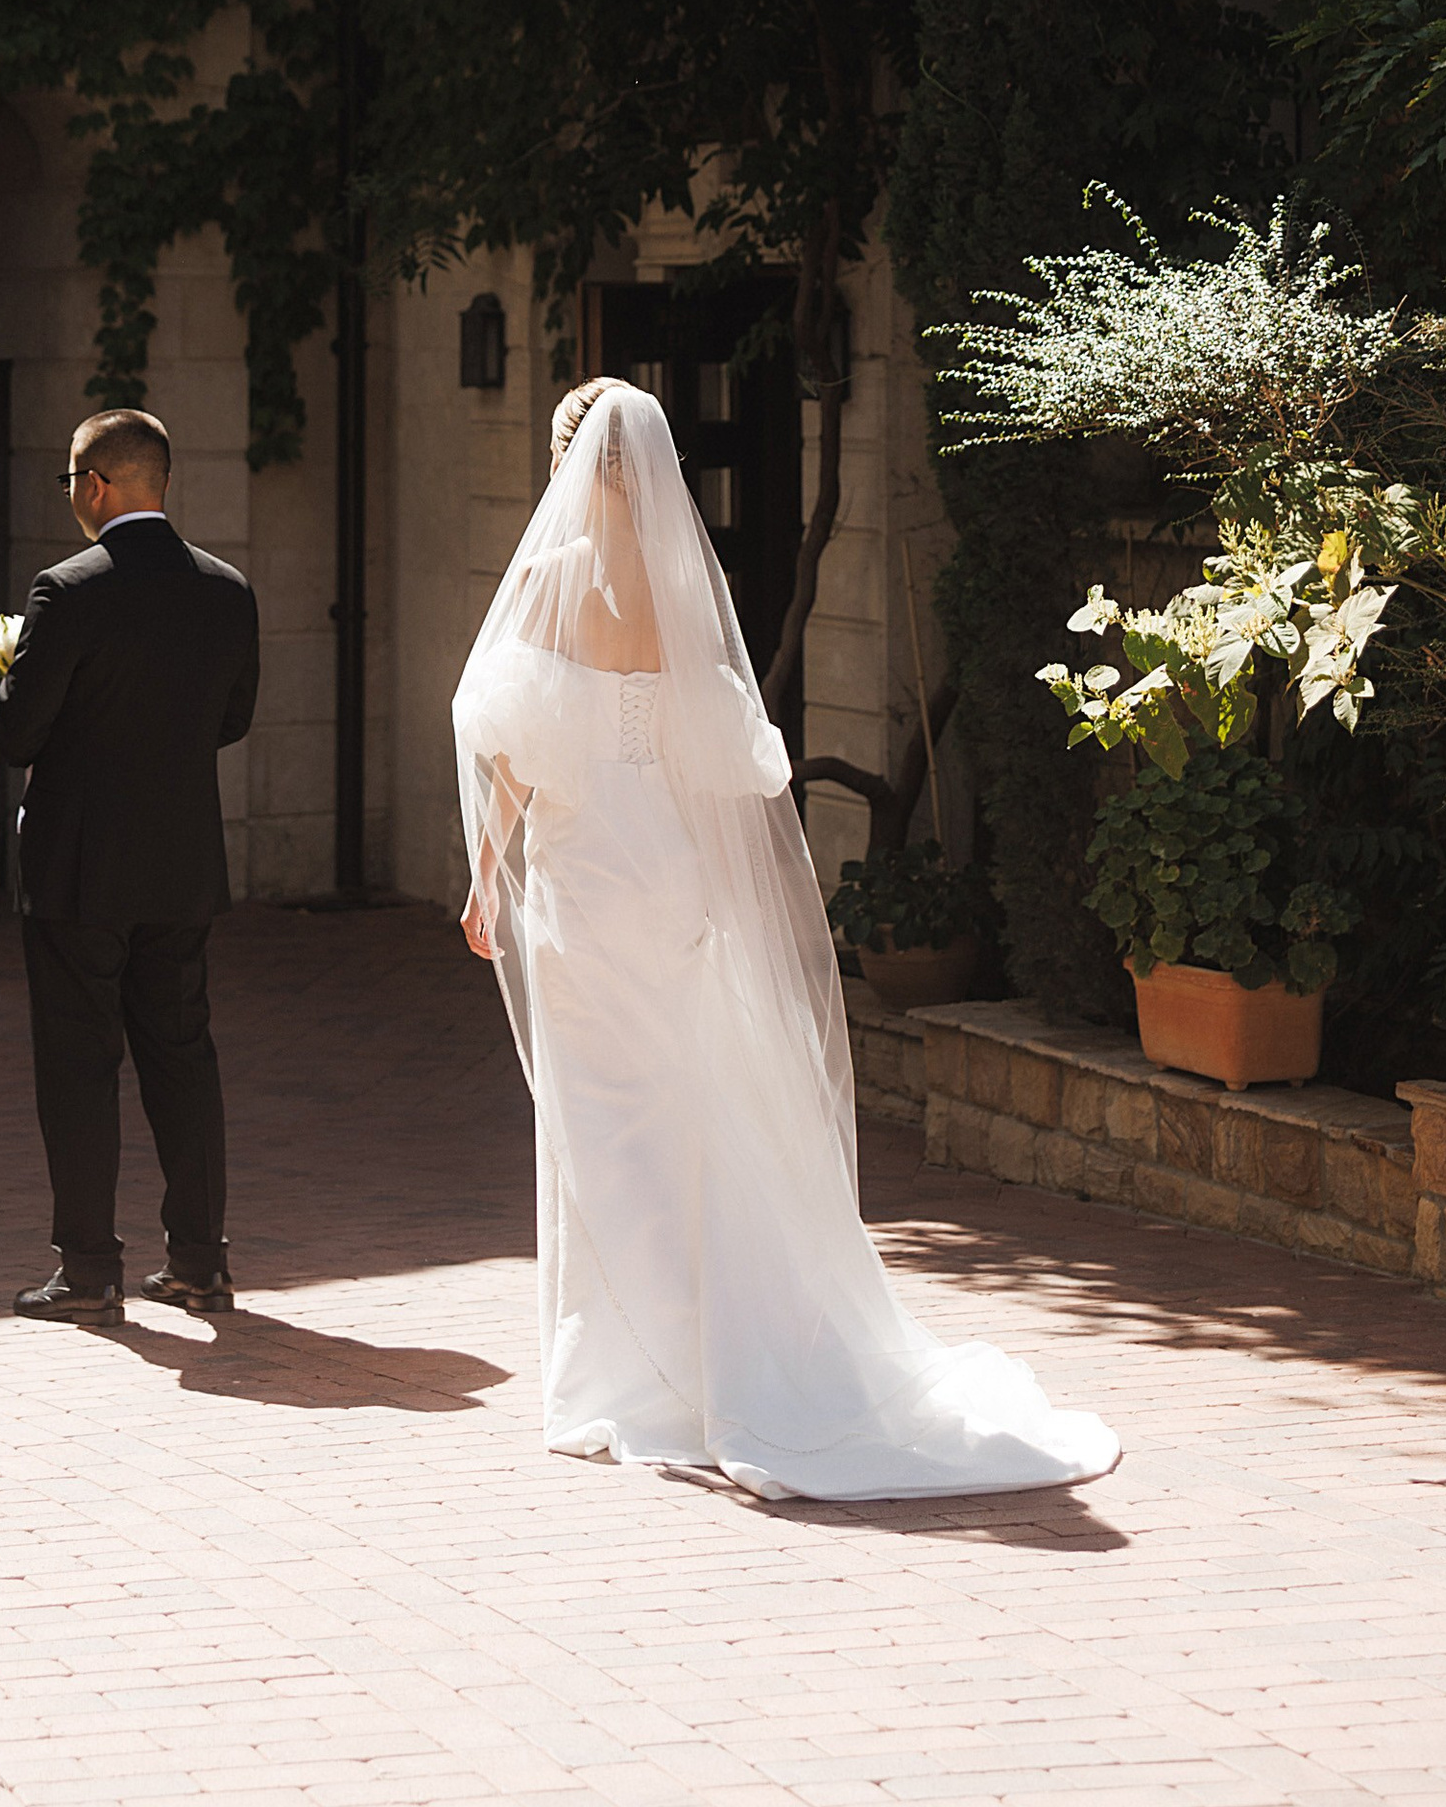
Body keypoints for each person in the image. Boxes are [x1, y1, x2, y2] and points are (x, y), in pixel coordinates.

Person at [455, 375, 1118, 1501]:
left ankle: (627, 1381)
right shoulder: (681, 592)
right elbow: (739, 765)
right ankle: (715, 1361)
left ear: (566, 464)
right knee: (693, 1110)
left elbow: (505, 749)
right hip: (667, 885)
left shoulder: (544, 584)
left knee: (602, 1126)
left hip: (583, 887)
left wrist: (484, 882)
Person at [0, 407, 259, 1324]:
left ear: (95, 487)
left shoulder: (67, 590)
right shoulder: (228, 589)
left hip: (78, 867)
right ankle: (200, 1262)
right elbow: (233, 721)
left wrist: (5, 670)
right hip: (181, 863)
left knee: (78, 1061)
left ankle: (91, 1268)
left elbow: (18, 732)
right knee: (182, 1054)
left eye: (71, 480)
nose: (72, 497)